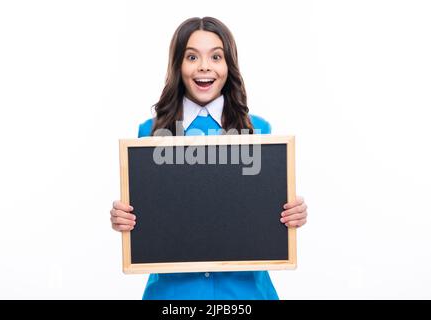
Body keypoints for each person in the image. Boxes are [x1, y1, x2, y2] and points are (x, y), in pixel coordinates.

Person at [110, 17, 308, 300]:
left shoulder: (259, 131)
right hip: (174, 297)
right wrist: (124, 219)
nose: (204, 66)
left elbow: (265, 213)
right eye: (192, 56)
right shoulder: (151, 133)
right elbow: (149, 217)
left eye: (216, 56)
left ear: (229, 66)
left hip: (245, 294)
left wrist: (292, 213)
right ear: (179, 64)